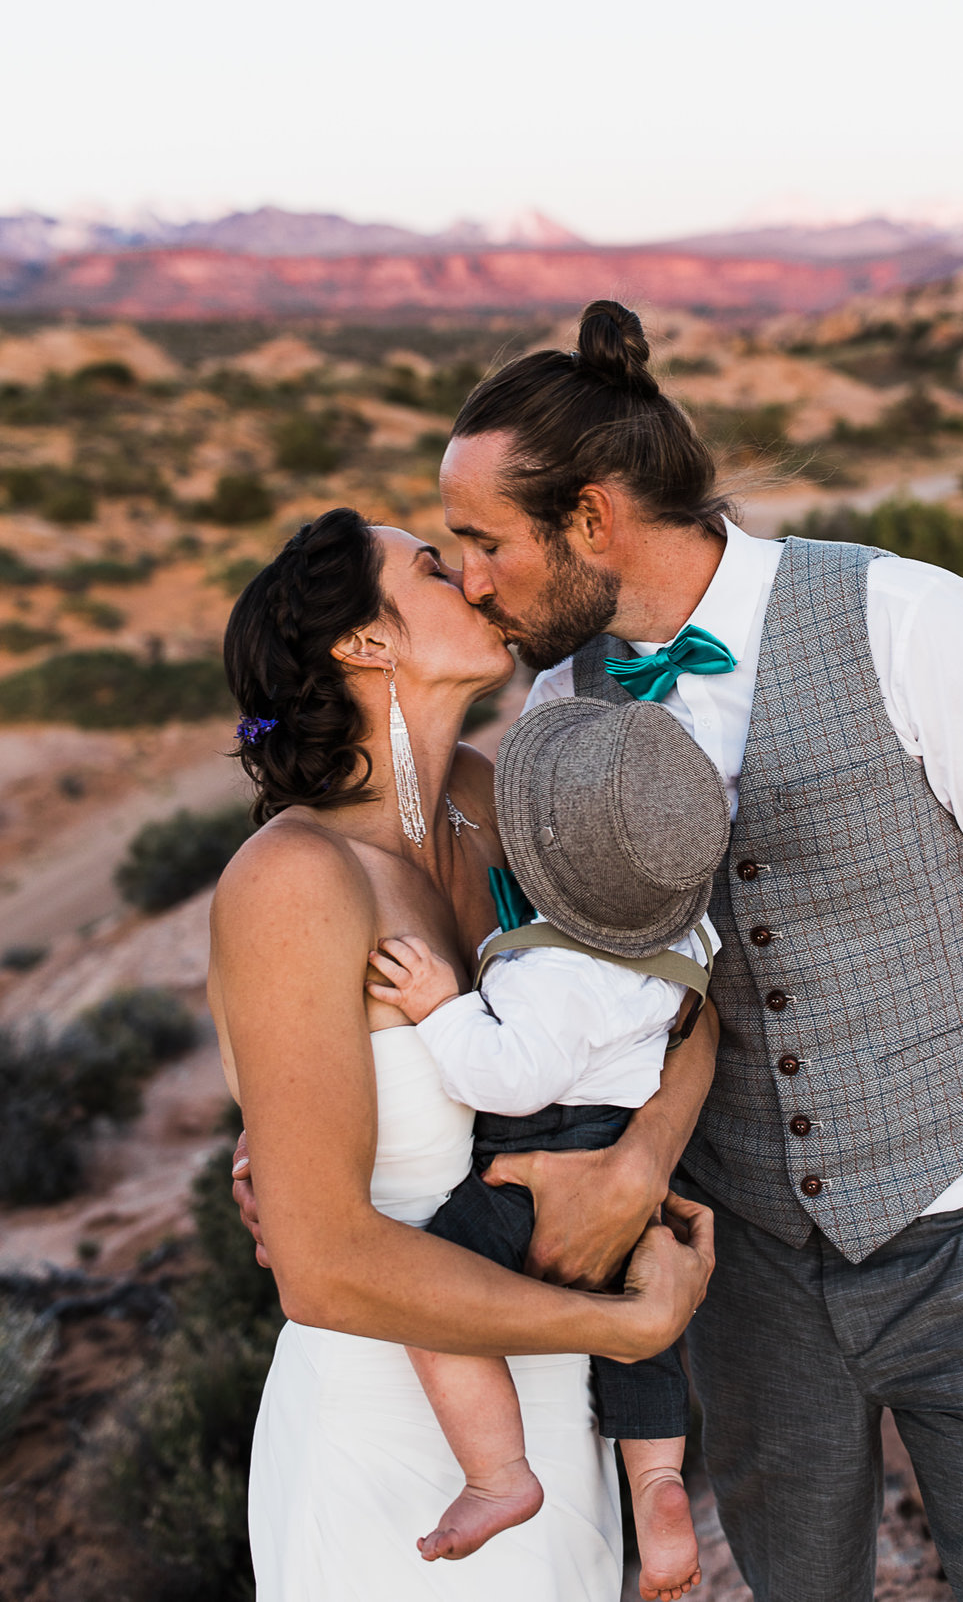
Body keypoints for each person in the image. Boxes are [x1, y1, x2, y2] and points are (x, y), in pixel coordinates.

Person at [439, 298, 963, 1599]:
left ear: (595, 515)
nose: (471, 578)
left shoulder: (905, 616)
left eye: (484, 541)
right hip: (746, 1270)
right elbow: (557, 985)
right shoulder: (562, 709)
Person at [209, 506, 714, 1602]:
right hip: (395, 1439)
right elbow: (323, 1262)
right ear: (367, 643)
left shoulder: (500, 801)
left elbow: (680, 997)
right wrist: (630, 1322)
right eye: (437, 571)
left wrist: (637, 1168)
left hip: (559, 1406)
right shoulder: (294, 881)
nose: (479, 583)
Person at [364, 695, 732, 1597]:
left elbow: (506, 1079)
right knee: (636, 1333)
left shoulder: (555, 974)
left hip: (530, 1164)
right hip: (624, 1151)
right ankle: (655, 1482)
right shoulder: (683, 940)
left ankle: (498, 1471)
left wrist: (442, 1008)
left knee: (426, 1290)